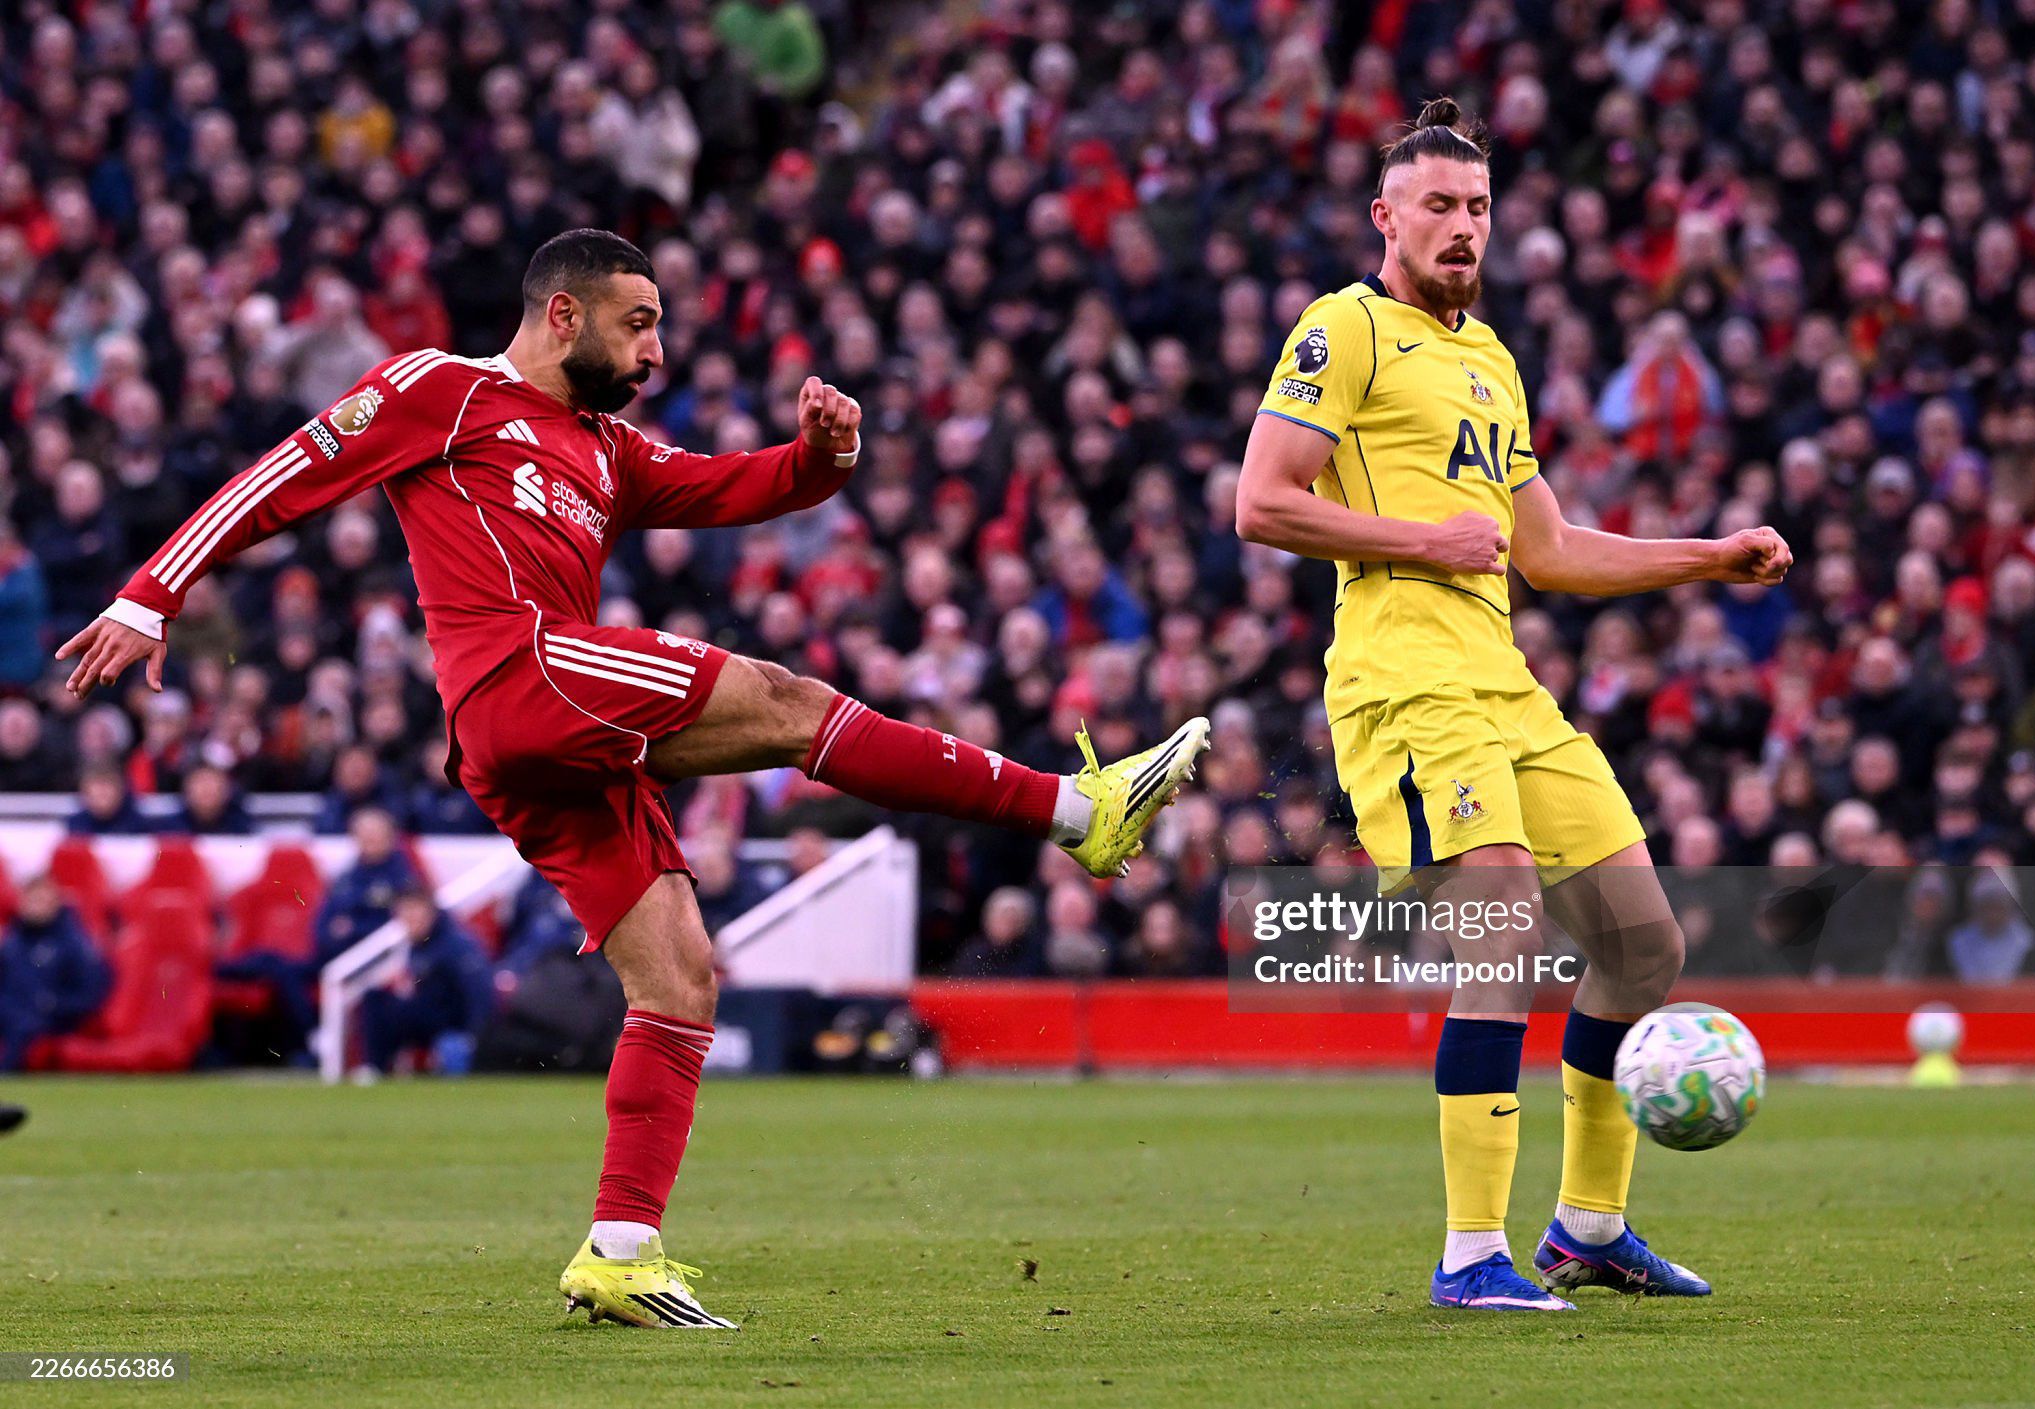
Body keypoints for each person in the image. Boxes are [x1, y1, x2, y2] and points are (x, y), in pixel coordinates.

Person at [57, 228, 1208, 1330]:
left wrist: (821, 456)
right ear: (563, 314)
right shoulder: (440, 388)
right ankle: (1075, 809)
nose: (658, 351)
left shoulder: (606, 448)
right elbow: (289, 472)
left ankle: (618, 1251)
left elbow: (732, 489)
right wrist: (148, 592)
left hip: (549, 741)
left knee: (679, 976)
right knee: (782, 697)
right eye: (639, 323)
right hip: (520, 671)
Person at [1235, 100, 1792, 1313]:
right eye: (1436, 205)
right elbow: (1262, 502)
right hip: (1401, 675)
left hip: (1505, 681)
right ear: (1384, 217)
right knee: (1495, 916)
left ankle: (1586, 1227)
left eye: (1477, 208)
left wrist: (1710, 555)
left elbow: (1544, 550)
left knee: (1642, 944)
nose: (1460, 227)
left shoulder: (1489, 358)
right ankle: (1467, 1251)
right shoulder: (1343, 329)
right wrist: (1420, 537)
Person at [355, 888, 495, 1077]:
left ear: (430, 912)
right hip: (428, 1016)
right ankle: (374, 1067)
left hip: (451, 1022)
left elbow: (478, 992)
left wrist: (474, 1037)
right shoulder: (416, 945)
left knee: (391, 1008)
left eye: (415, 912)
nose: (410, 920)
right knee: (375, 997)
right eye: (405, 914)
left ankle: (378, 1067)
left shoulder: (456, 944)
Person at [0, 876, 113, 1071]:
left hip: (51, 1019)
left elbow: (90, 993)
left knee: (22, 1027)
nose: (35, 908)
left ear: (55, 904)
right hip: (11, 1013)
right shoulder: (11, 943)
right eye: (31, 901)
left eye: (41, 901)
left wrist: (53, 1004)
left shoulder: (75, 946)